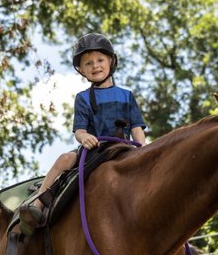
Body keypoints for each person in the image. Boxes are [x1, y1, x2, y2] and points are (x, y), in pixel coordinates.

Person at [19, 33, 146, 235]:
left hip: (123, 147)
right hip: (94, 148)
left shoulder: (126, 95)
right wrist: (84, 137)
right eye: (88, 63)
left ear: (111, 61)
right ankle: (38, 202)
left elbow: (137, 128)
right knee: (64, 159)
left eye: (100, 60)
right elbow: (79, 130)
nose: (95, 66)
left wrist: (143, 151)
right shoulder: (83, 98)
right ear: (81, 70)